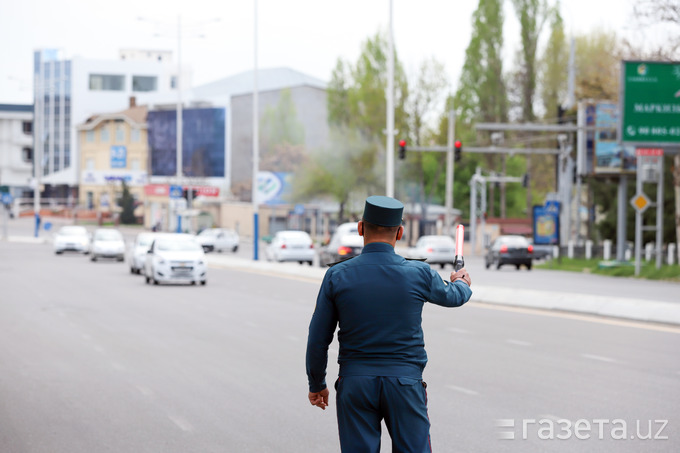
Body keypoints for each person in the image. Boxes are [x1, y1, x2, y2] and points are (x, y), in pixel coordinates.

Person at [306, 195, 473, 452]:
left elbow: (318, 339)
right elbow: (455, 297)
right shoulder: (419, 273)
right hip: (405, 385)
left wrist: (317, 384)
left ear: (361, 228)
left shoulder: (337, 275)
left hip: (355, 385)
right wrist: (461, 281)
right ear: (400, 233)